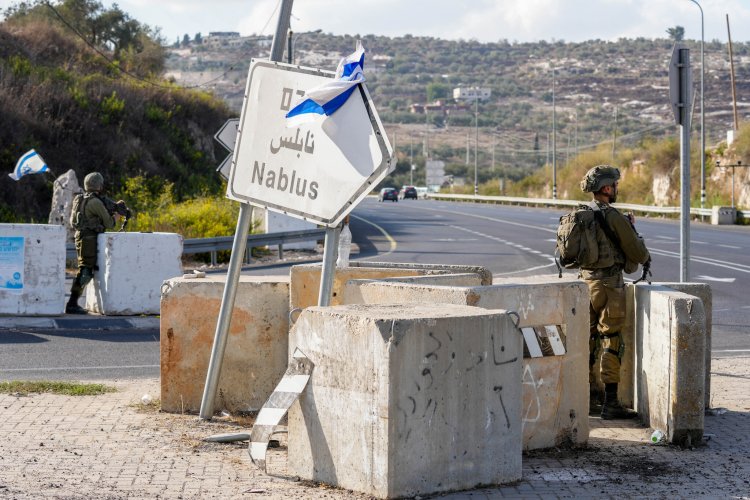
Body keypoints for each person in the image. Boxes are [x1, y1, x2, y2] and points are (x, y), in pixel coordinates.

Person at [580, 165, 650, 420]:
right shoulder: (613, 216)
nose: (617, 189)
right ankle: (610, 403)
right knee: (611, 339)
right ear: (607, 188)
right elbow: (638, 254)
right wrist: (632, 229)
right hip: (610, 286)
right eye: (615, 185)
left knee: (587, 341)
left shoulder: (582, 214)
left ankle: (587, 399)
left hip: (586, 284)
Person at [65, 172, 120, 314]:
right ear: (99, 185)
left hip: (80, 237)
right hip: (89, 239)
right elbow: (109, 223)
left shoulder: (79, 198)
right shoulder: (95, 202)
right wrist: (116, 217)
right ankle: (72, 303)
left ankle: (72, 303)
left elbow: (73, 222)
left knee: (85, 269)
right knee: (85, 272)